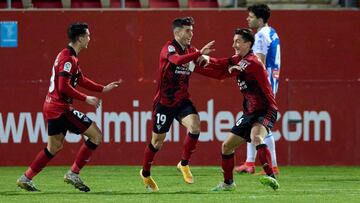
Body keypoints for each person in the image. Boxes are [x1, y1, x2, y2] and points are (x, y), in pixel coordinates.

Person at [16, 22, 121, 192]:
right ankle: (74, 173)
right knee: (96, 135)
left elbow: (80, 79)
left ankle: (26, 177)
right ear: (80, 38)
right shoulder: (67, 58)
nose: (89, 38)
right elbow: (63, 86)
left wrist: (103, 88)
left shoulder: (68, 56)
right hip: (60, 108)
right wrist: (86, 98)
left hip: (51, 106)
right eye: (87, 35)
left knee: (54, 147)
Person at [194, 28, 279, 191]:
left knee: (256, 138)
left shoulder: (253, 61)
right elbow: (221, 65)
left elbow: (238, 68)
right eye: (233, 41)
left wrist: (233, 69)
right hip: (250, 112)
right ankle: (228, 183)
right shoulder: (238, 59)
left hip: (266, 109)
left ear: (248, 43)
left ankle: (271, 176)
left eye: (237, 41)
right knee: (226, 146)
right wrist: (200, 58)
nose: (234, 45)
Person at [139, 17, 215, 192]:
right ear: (177, 32)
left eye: (192, 30)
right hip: (164, 103)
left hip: (182, 101)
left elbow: (205, 64)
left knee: (195, 127)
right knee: (157, 142)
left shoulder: (191, 49)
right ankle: (145, 173)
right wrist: (198, 54)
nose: (191, 33)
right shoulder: (169, 48)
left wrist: (226, 68)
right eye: (187, 30)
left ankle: (184, 163)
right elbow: (176, 61)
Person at [235, 4, 281, 175]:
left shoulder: (260, 36)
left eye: (251, 16)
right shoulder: (272, 32)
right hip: (271, 83)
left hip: (261, 87)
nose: (248, 19)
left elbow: (259, 62)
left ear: (260, 19)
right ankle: (249, 162)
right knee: (253, 120)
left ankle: (273, 166)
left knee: (260, 124)